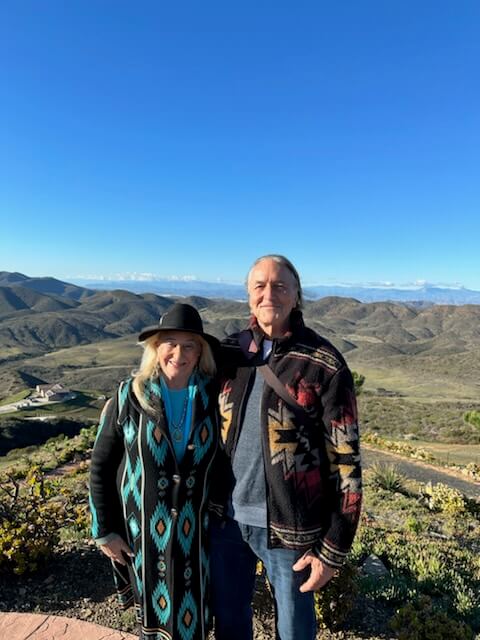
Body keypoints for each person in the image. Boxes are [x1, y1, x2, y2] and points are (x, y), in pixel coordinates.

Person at [210, 255, 362, 640]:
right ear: (248, 296)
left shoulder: (324, 364)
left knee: (294, 630)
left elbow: (347, 463)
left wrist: (333, 549)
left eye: (279, 285)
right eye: (259, 286)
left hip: (292, 529)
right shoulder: (230, 352)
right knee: (229, 622)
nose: (268, 293)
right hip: (225, 519)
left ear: (297, 295)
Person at [89, 303, 220, 640]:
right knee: (153, 622)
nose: (179, 353)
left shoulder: (214, 399)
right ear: (155, 348)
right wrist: (104, 529)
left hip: (196, 539)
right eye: (170, 343)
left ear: (200, 352)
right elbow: (101, 465)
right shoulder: (128, 397)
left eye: (190, 344)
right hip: (143, 536)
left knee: (194, 624)